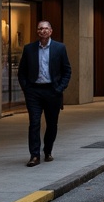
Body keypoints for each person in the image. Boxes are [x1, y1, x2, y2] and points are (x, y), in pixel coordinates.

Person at [17, 20, 72, 167]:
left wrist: (60, 88)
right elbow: (21, 72)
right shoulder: (29, 49)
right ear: (37, 31)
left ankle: (47, 151)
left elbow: (67, 70)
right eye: (40, 28)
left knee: (52, 124)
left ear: (51, 31)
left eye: (46, 28)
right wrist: (27, 89)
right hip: (34, 91)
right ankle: (34, 155)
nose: (43, 31)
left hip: (52, 91)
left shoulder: (59, 48)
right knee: (34, 123)